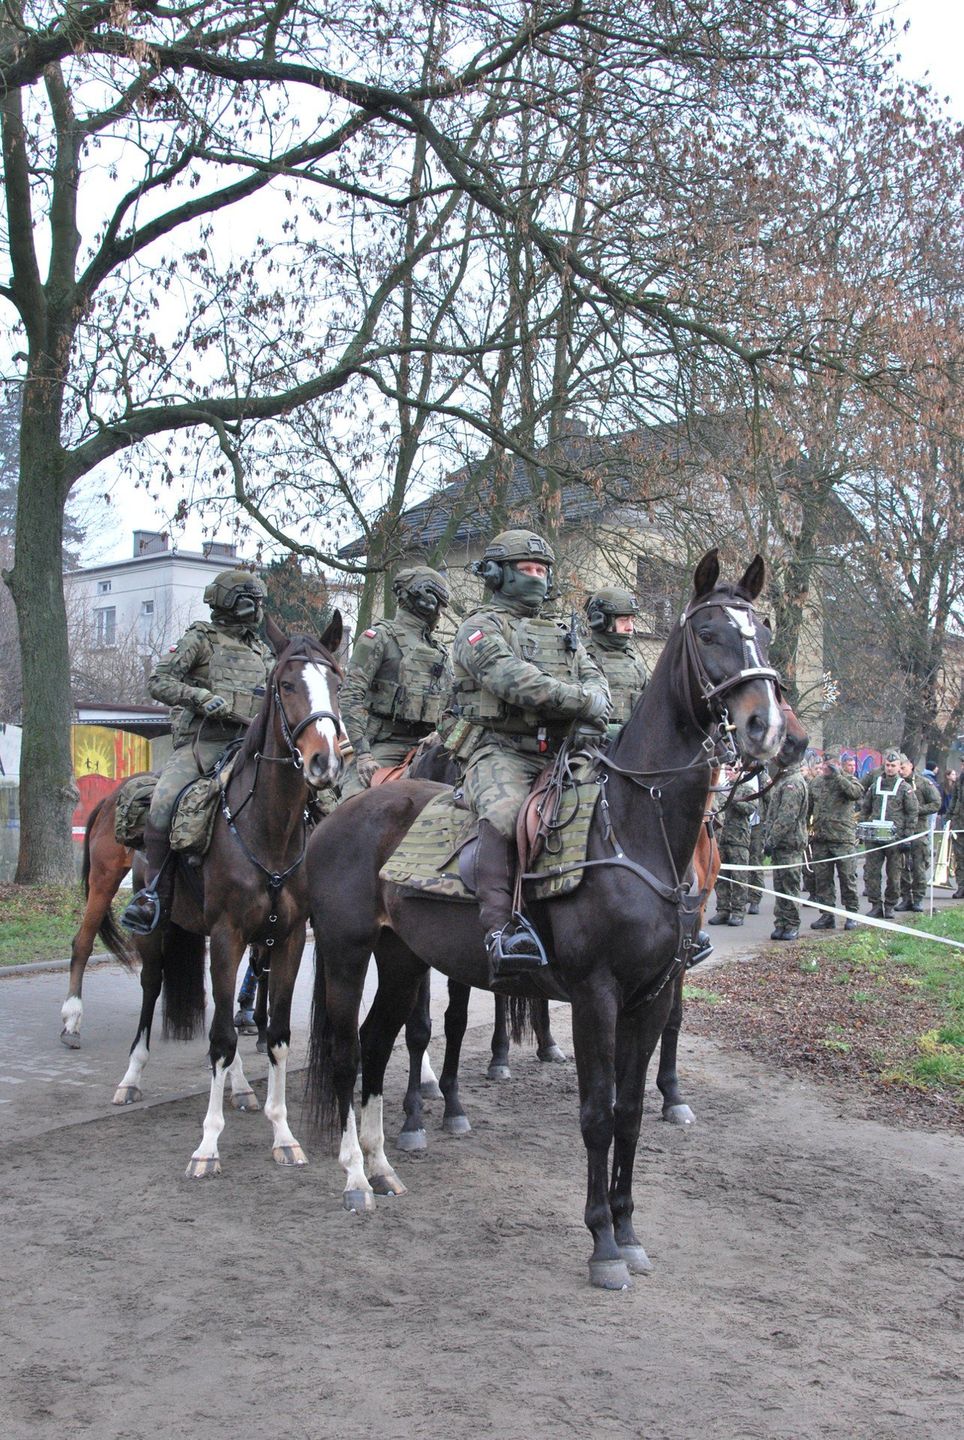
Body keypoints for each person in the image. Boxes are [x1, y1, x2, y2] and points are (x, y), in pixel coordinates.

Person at [451, 529, 610, 977]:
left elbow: (597, 680)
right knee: (504, 815)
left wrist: (595, 698)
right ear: (499, 574)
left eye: (544, 570)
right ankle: (501, 931)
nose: (538, 578)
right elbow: (513, 680)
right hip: (500, 748)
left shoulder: (565, 633)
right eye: (528, 569)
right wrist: (583, 701)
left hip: (564, 750)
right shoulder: (479, 628)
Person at [121, 569, 272, 934]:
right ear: (223, 601)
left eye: (257, 601)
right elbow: (159, 681)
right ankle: (151, 894)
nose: (253, 608)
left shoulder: (262, 650)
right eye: (245, 599)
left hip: (251, 745)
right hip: (203, 743)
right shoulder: (199, 638)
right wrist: (199, 697)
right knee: (164, 799)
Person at [339, 566, 452, 797]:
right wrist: (363, 754)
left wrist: (442, 733)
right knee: (354, 804)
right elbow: (351, 695)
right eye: (439, 603)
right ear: (425, 600)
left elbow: (453, 703)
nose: (440, 611)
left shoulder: (440, 651)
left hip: (431, 744)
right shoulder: (378, 638)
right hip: (385, 743)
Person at [860, 748, 918, 919]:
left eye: (893, 765)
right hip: (875, 837)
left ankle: (890, 905)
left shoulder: (905, 788)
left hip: (895, 839)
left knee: (894, 875)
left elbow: (912, 813)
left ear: (899, 767)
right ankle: (876, 905)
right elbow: (865, 809)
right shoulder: (874, 785)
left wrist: (907, 837)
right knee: (872, 873)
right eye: (887, 765)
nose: (890, 768)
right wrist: (863, 827)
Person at [807, 751, 862, 930]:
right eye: (824, 764)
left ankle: (851, 914)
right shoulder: (816, 783)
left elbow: (855, 793)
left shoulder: (848, 780)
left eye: (829, 764)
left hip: (842, 839)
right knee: (822, 880)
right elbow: (807, 808)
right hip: (821, 839)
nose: (825, 767)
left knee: (847, 878)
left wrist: (839, 776)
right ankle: (827, 915)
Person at [582, 587, 648, 731]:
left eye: (632, 620)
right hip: (594, 745)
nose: (630, 627)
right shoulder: (581, 656)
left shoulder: (632, 660)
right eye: (624, 620)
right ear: (601, 620)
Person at [763, 752, 810, 940]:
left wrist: (771, 840)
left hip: (789, 843)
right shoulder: (784, 779)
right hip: (781, 844)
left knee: (790, 885)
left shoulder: (793, 783)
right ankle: (781, 922)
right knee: (779, 886)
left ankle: (792, 924)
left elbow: (786, 817)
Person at [708, 766, 757, 927]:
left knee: (739, 878)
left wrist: (733, 798)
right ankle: (723, 910)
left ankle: (738, 912)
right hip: (721, 839)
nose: (729, 772)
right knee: (721, 878)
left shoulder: (746, 788)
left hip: (738, 840)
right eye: (727, 769)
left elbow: (750, 808)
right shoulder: (722, 787)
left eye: (732, 769)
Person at [896, 756, 941, 912]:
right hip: (900, 832)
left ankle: (918, 898)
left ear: (911, 766)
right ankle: (906, 898)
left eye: (903, 768)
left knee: (918, 867)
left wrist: (917, 811)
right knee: (902, 868)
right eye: (898, 768)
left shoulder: (923, 783)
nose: (900, 771)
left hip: (918, 831)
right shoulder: (895, 784)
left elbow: (936, 803)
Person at [946, 768, 964, 899]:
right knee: (960, 856)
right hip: (960, 822)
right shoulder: (960, 779)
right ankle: (962, 887)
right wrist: (949, 818)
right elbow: (955, 799)